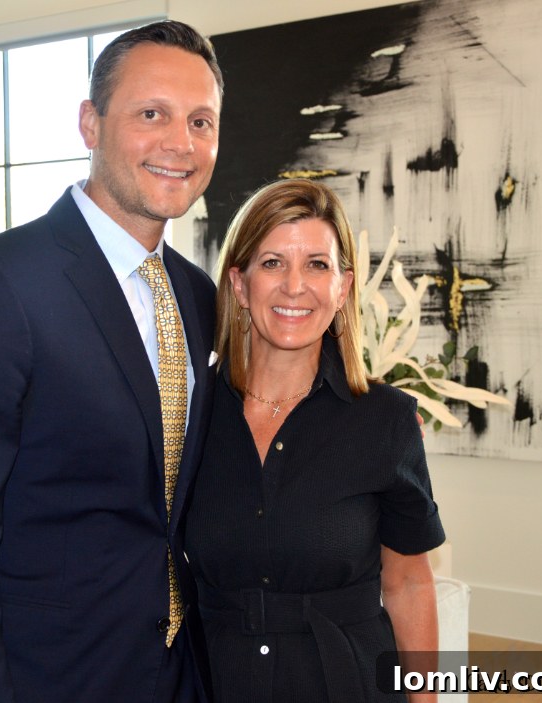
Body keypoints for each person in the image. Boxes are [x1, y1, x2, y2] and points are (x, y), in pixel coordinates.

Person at [0, 20, 222, 703]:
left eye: (200, 121)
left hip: (176, 672)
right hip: (46, 679)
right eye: (151, 114)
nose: (180, 142)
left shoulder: (196, 295)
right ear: (90, 123)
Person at [184, 178, 446, 702]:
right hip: (214, 681)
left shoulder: (386, 420)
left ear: (342, 288)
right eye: (272, 263)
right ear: (239, 285)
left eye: (317, 265)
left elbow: (408, 584)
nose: (294, 286)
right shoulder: (189, 414)